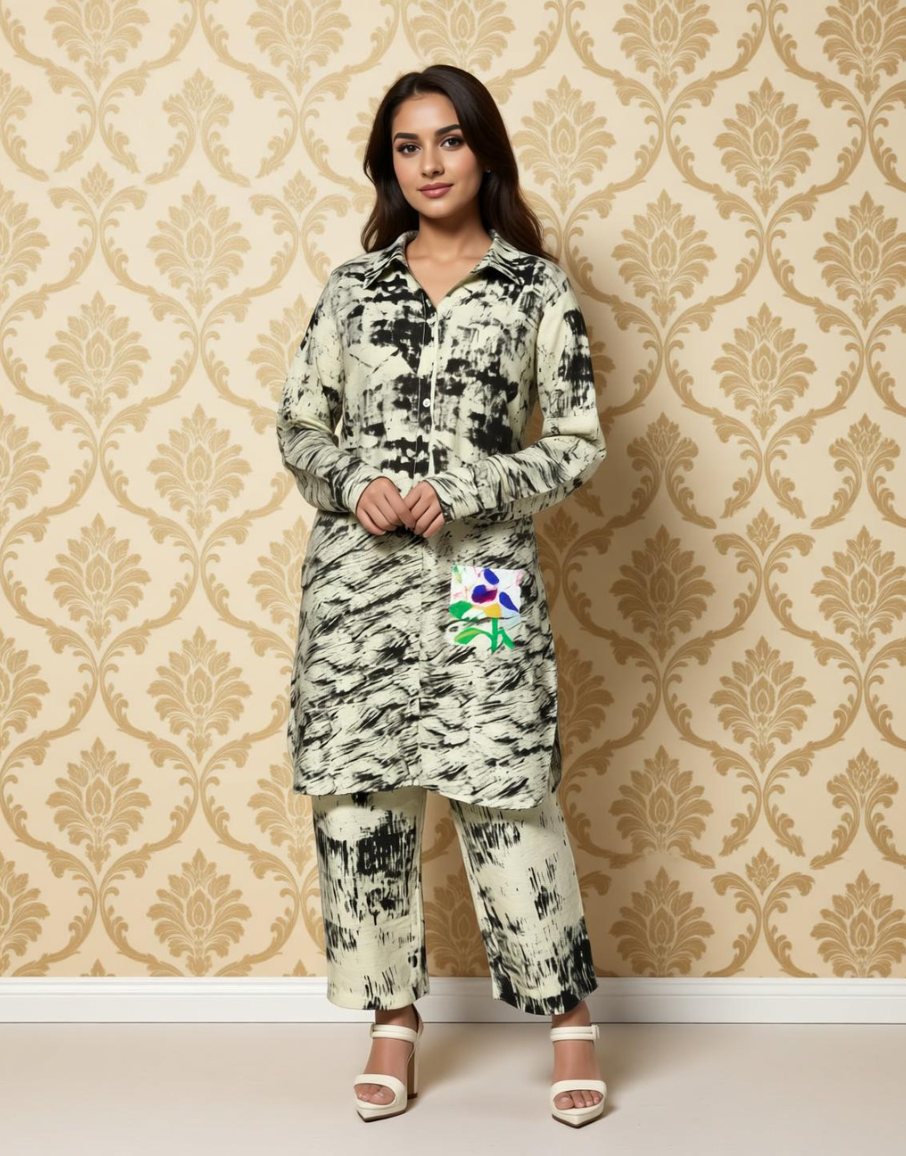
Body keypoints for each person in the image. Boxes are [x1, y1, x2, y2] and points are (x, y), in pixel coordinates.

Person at [276, 64, 608, 1126]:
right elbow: (299, 426)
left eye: (450, 140)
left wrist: (466, 487)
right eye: (408, 145)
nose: (429, 163)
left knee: (504, 780)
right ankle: (393, 1019)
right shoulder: (353, 289)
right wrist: (352, 481)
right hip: (358, 581)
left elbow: (577, 442)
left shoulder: (534, 290)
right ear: (389, 164)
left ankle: (568, 1017)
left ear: (483, 151)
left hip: (482, 575)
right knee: (361, 794)